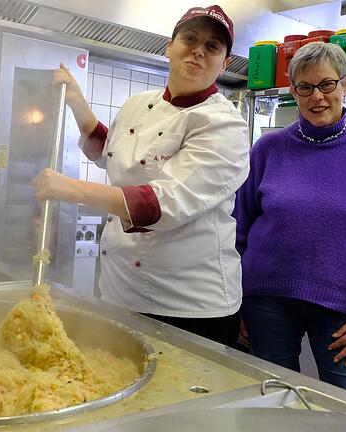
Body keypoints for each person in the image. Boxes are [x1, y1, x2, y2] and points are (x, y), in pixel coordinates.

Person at [32, 5, 249, 346]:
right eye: (189, 39)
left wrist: (70, 188)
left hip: (187, 306)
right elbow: (110, 151)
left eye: (213, 47)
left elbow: (162, 204)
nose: (198, 51)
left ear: (224, 64)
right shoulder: (137, 104)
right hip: (119, 291)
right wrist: (76, 102)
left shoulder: (224, 125)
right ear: (169, 46)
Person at [234, 42, 346, 399]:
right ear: (292, 91)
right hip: (265, 304)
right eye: (305, 87)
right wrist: (233, 303)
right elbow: (237, 230)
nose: (317, 97)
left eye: (327, 85)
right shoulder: (267, 150)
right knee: (270, 406)